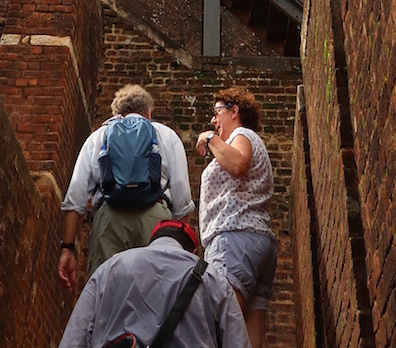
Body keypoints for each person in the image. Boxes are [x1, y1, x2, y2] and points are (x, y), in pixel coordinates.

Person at [58, 84, 194, 292]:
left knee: (106, 293)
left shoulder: (98, 136)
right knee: (154, 295)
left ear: (116, 114)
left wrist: (67, 249)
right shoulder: (166, 135)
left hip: (109, 219)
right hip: (156, 221)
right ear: (148, 113)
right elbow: (182, 198)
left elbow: (75, 198)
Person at [58, 220, 250, 348]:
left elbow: (73, 341)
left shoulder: (109, 269)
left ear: (152, 242)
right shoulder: (214, 280)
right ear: (193, 252)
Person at [196, 87, 277, 348]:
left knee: (216, 318)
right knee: (251, 337)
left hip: (234, 240)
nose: (213, 120)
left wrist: (210, 138)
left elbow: (239, 164)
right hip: (258, 244)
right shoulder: (253, 142)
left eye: (217, 112)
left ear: (234, 111)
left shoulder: (242, 135)